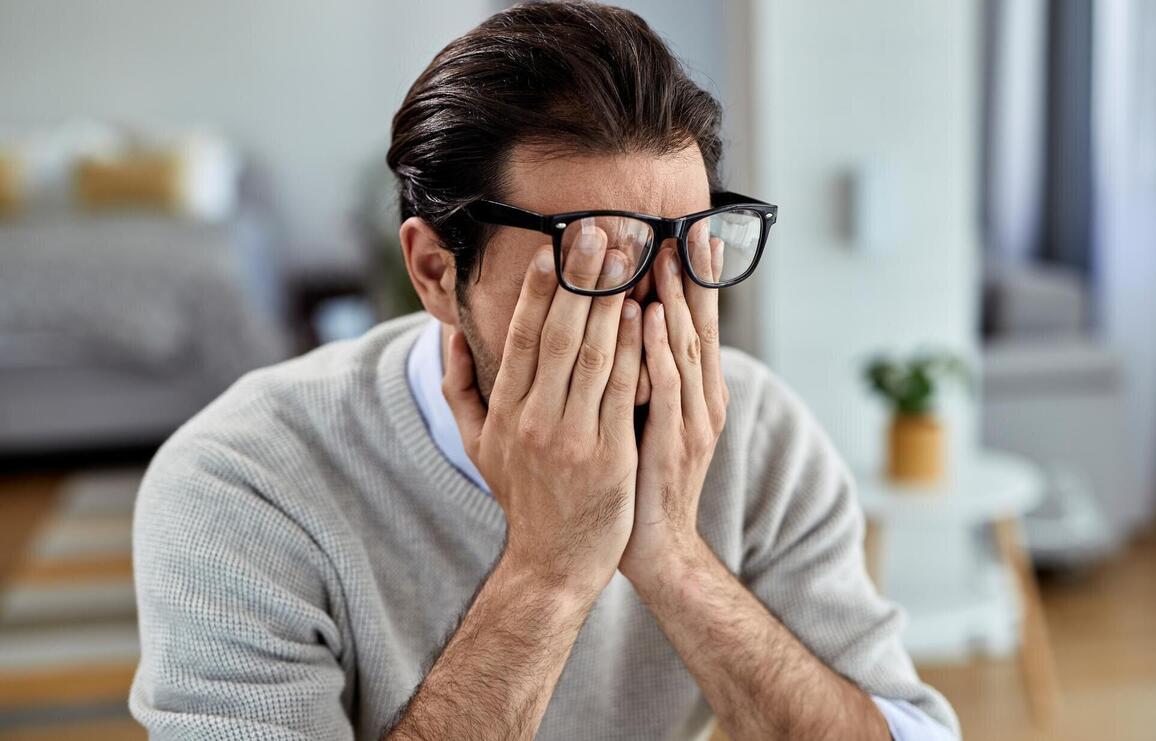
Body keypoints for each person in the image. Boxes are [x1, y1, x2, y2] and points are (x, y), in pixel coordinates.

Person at [130, 2, 958, 739]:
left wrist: (671, 554)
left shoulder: (758, 431)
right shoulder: (240, 482)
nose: (657, 312)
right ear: (434, 273)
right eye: (592, 259)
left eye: (685, 250)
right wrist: (548, 571)